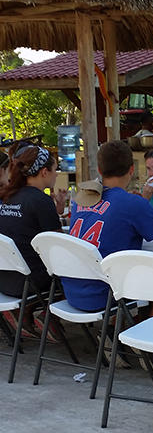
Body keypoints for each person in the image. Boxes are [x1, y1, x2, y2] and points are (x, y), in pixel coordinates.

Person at [62, 140, 153, 318]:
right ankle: (144, 334)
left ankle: (118, 327)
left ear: (100, 171)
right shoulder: (132, 203)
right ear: (131, 169)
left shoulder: (81, 199)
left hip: (73, 291)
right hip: (106, 294)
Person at [0, 143, 65, 337]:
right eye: (55, 170)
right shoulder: (40, 201)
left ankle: (25, 314)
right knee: (75, 270)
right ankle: (48, 315)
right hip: (29, 283)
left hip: (4, 279)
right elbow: (59, 247)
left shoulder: (7, 197)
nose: (56, 174)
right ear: (44, 172)